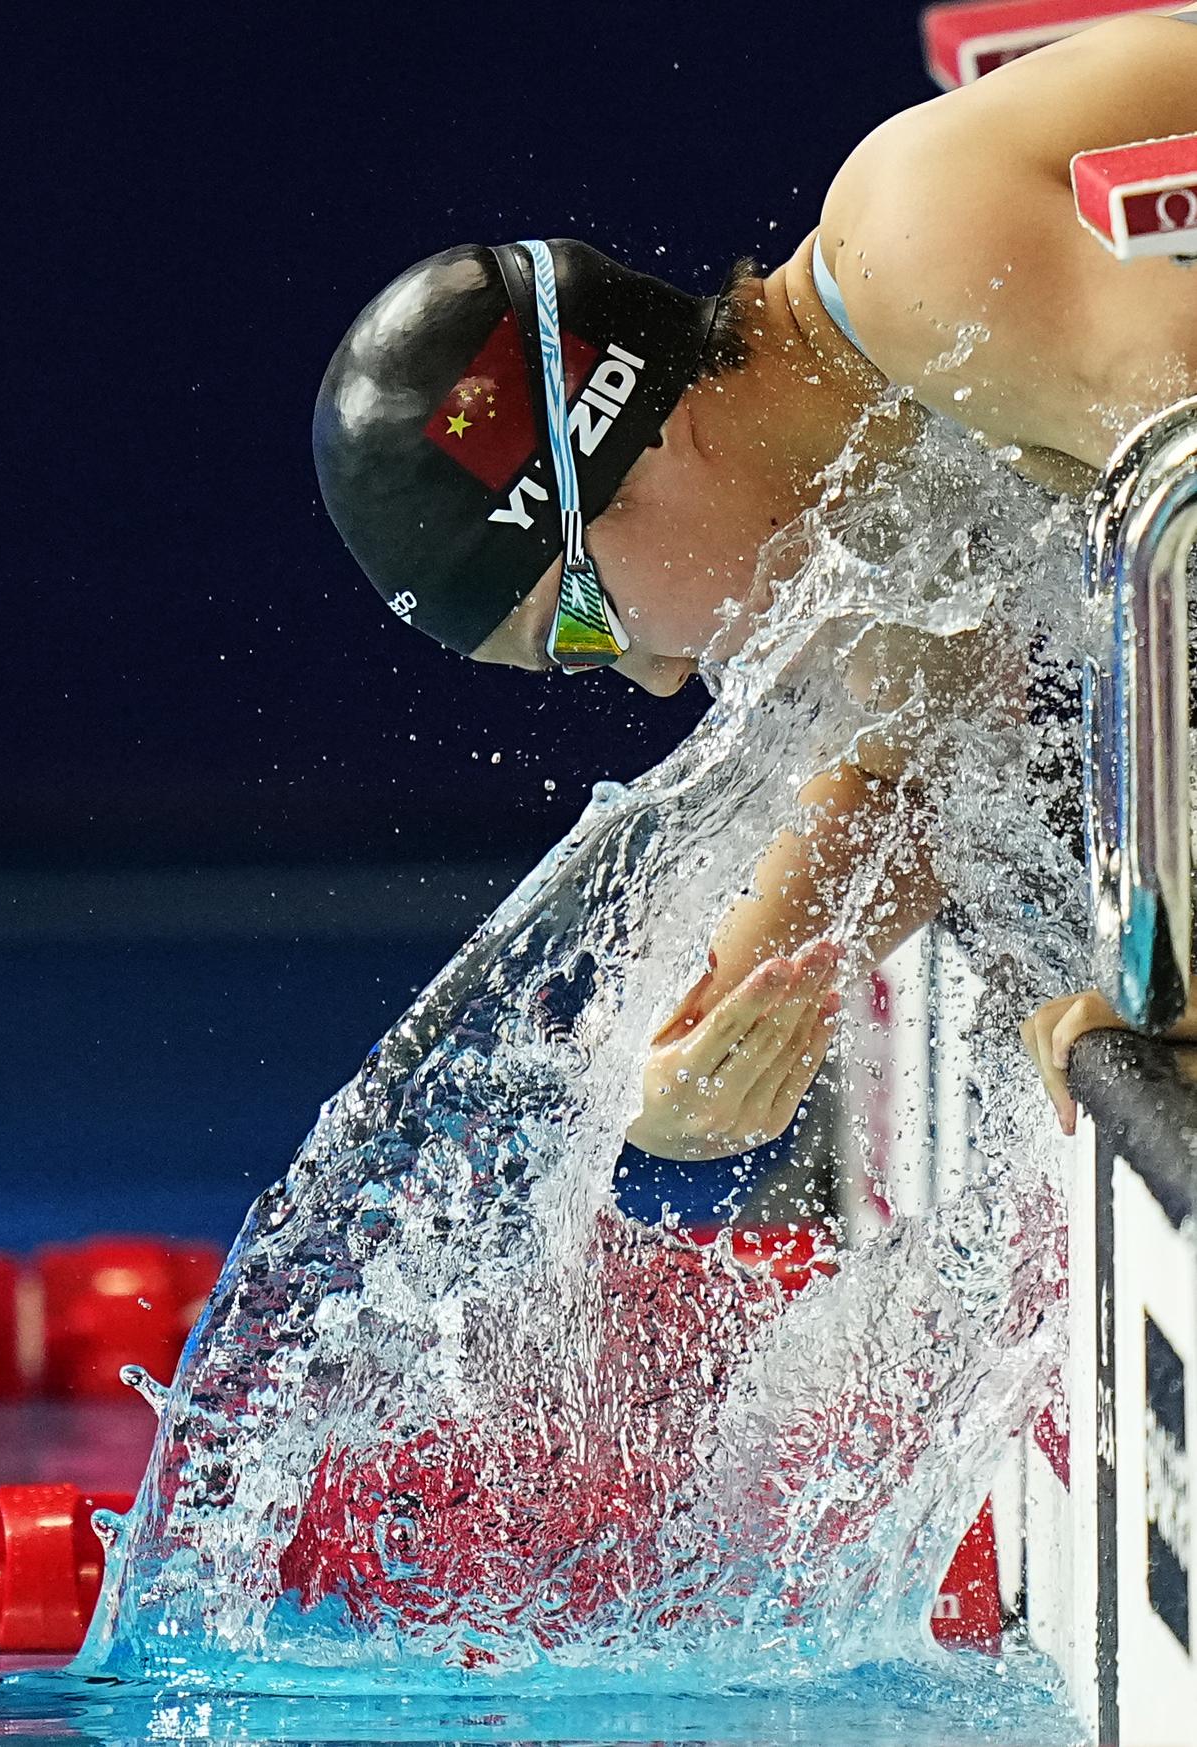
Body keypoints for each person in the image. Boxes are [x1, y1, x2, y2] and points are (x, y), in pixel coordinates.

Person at [312, 8, 1197, 1164]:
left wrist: (1179, 973)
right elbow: (906, 779)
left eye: (581, 629)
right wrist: (681, 1056)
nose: (657, 675)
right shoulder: (891, 450)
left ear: (629, 450)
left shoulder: (916, 248)